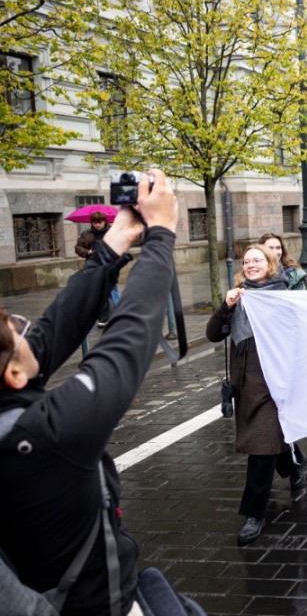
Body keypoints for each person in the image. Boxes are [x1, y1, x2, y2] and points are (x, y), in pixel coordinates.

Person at [1, 170, 190, 614]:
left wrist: (116, 242)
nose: (32, 332)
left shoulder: (10, 402)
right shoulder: (40, 438)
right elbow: (126, 344)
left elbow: (55, 328)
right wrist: (162, 235)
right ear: (13, 374)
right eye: (19, 330)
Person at [206, 244, 304, 545]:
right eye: (246, 261)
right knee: (272, 439)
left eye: (257, 260)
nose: (250, 265)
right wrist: (226, 306)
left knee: (261, 448)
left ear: (270, 263)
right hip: (246, 383)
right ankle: (293, 464)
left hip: (276, 383)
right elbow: (213, 334)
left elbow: (299, 336)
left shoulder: (283, 297)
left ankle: (254, 513)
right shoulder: (238, 297)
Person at [75, 210, 119, 327]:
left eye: (99, 222)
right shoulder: (86, 234)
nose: (97, 224)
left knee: (112, 291)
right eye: (94, 222)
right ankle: (103, 318)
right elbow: (78, 248)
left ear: (105, 221)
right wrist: (87, 252)